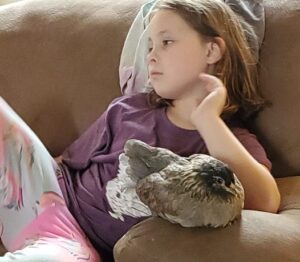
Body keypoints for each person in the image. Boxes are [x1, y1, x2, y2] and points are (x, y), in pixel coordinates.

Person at [0, 0, 280, 261]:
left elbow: (266, 201)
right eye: (149, 46)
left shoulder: (234, 142)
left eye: (166, 42)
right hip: (45, 192)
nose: (152, 56)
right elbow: (65, 163)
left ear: (211, 50)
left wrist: (207, 119)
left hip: (69, 241)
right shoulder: (129, 108)